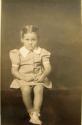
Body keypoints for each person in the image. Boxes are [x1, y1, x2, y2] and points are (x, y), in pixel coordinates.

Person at [9, 25, 52, 125]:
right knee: (26, 89)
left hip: (38, 77)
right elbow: (14, 71)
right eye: (27, 39)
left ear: (38, 40)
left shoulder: (42, 52)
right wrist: (24, 77)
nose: (30, 42)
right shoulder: (17, 53)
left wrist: (43, 76)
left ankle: (36, 114)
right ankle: (30, 111)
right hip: (23, 77)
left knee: (39, 89)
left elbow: (48, 67)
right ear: (22, 40)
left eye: (33, 39)